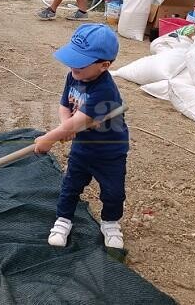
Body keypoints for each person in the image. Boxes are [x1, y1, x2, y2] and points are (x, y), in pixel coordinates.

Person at [34, 24, 129, 249]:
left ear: (104, 65)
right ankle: (63, 219)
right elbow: (65, 105)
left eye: (81, 62)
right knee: (70, 185)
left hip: (110, 152)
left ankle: (110, 222)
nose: (73, 65)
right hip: (83, 148)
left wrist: (50, 137)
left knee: (113, 192)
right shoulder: (74, 76)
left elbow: (80, 121)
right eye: (72, 58)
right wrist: (65, 126)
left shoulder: (105, 90)